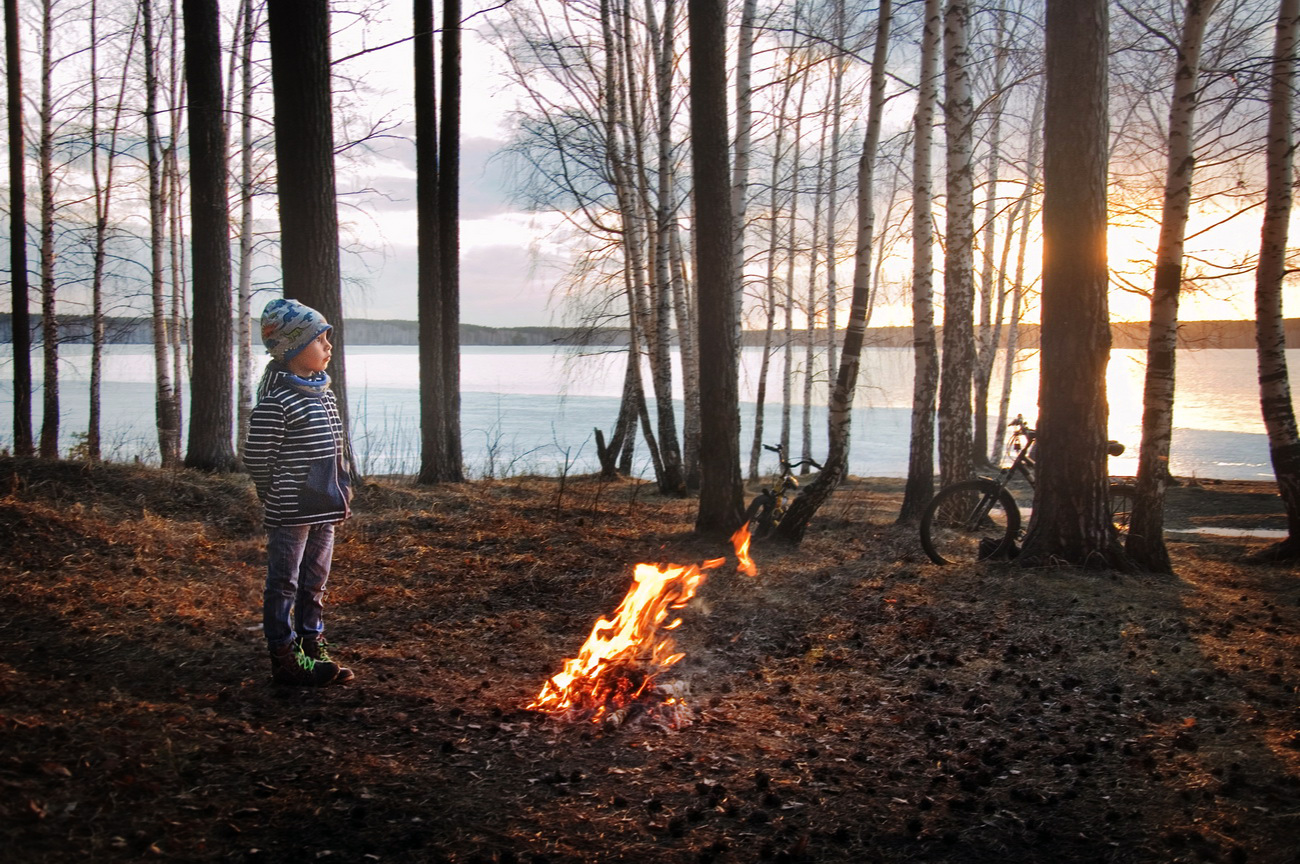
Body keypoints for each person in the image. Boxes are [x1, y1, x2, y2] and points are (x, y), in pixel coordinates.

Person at [245, 297, 355, 686]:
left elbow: (337, 447)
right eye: (320, 340)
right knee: (285, 581)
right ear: (292, 347)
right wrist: (272, 493)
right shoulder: (277, 401)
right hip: (291, 510)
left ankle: (313, 644)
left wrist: (342, 484)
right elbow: (257, 457)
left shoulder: (325, 393)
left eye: (328, 339)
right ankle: (284, 657)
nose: (328, 347)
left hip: (324, 504)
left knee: (315, 580)